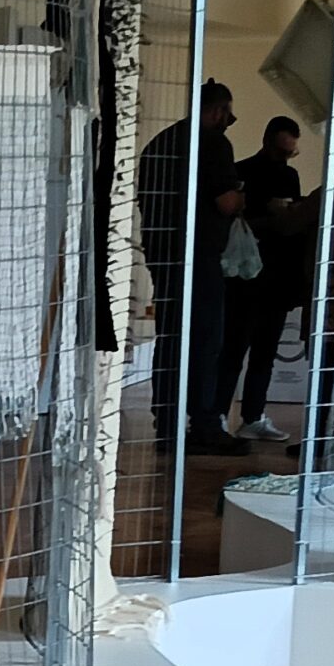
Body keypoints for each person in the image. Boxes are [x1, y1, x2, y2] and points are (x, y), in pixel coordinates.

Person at [138, 78, 244, 455]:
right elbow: (226, 202)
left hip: (162, 255)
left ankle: (167, 424)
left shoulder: (159, 143)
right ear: (216, 112)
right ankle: (204, 425)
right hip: (198, 257)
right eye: (228, 114)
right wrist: (244, 198)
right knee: (205, 340)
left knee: (169, 338)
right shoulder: (212, 142)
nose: (229, 121)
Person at [217, 115, 309, 442]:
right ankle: (224, 416)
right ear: (268, 141)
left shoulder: (280, 174)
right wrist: (276, 216)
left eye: (290, 152)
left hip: (271, 275)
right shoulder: (242, 173)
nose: (286, 157)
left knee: (261, 351)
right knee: (236, 348)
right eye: (284, 151)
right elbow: (235, 221)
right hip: (248, 275)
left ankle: (247, 416)